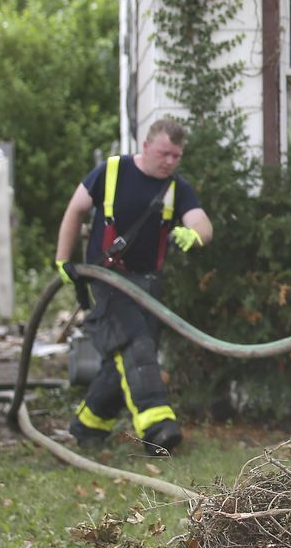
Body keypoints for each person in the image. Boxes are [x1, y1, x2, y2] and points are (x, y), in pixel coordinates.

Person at [54, 118, 213, 454]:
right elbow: (75, 210)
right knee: (136, 343)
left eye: (177, 156)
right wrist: (62, 259)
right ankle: (157, 428)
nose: (170, 161)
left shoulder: (176, 188)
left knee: (124, 359)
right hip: (107, 279)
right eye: (164, 153)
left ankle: (88, 426)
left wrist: (195, 235)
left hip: (147, 286)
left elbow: (202, 223)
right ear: (145, 146)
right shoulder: (111, 172)